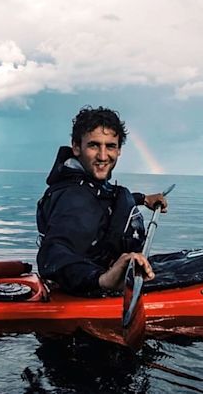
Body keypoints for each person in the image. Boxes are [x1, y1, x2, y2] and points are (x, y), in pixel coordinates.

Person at [36, 106, 168, 295]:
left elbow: (107, 197)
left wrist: (143, 199)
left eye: (110, 146)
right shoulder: (75, 199)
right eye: (94, 145)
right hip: (90, 288)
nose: (103, 156)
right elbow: (53, 254)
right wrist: (103, 279)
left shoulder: (88, 184)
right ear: (76, 147)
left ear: (119, 149)